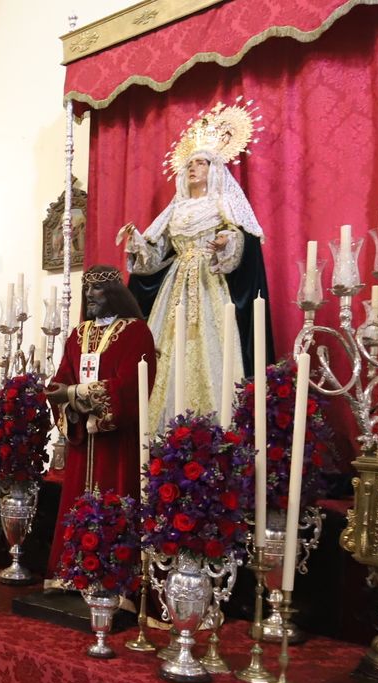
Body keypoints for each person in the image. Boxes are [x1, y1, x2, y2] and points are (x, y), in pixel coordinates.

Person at [118, 101, 271, 432]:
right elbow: (157, 254)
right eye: (189, 164)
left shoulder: (222, 202)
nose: (192, 168)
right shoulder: (176, 210)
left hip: (209, 282)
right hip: (175, 286)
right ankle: (160, 429)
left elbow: (243, 237)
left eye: (200, 163)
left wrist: (226, 243)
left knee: (210, 346)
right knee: (167, 348)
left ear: (214, 169)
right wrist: (137, 241)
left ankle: (214, 428)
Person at [45, 265, 156, 553]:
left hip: (117, 444)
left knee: (114, 500)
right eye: (87, 288)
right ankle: (73, 569)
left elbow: (130, 385)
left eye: (97, 288)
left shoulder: (136, 332)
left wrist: (73, 392)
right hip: (83, 440)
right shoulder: (79, 333)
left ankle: (113, 575)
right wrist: (60, 394)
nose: (90, 294)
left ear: (115, 293)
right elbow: (64, 375)